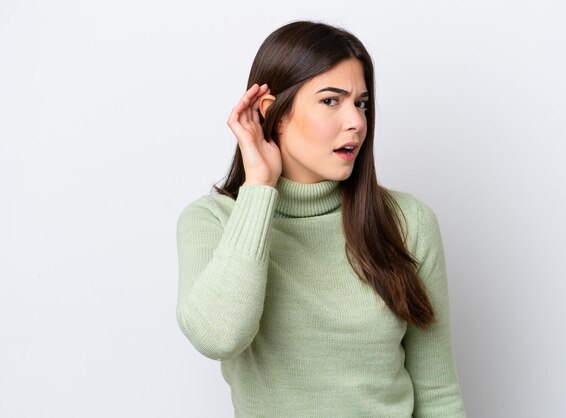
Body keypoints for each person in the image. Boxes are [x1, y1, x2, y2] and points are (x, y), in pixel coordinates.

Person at [176, 21, 466, 417]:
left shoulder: (408, 222)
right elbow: (218, 336)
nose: (357, 122)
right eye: (332, 101)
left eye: (361, 104)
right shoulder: (213, 222)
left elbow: (437, 394)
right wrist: (260, 187)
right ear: (272, 113)